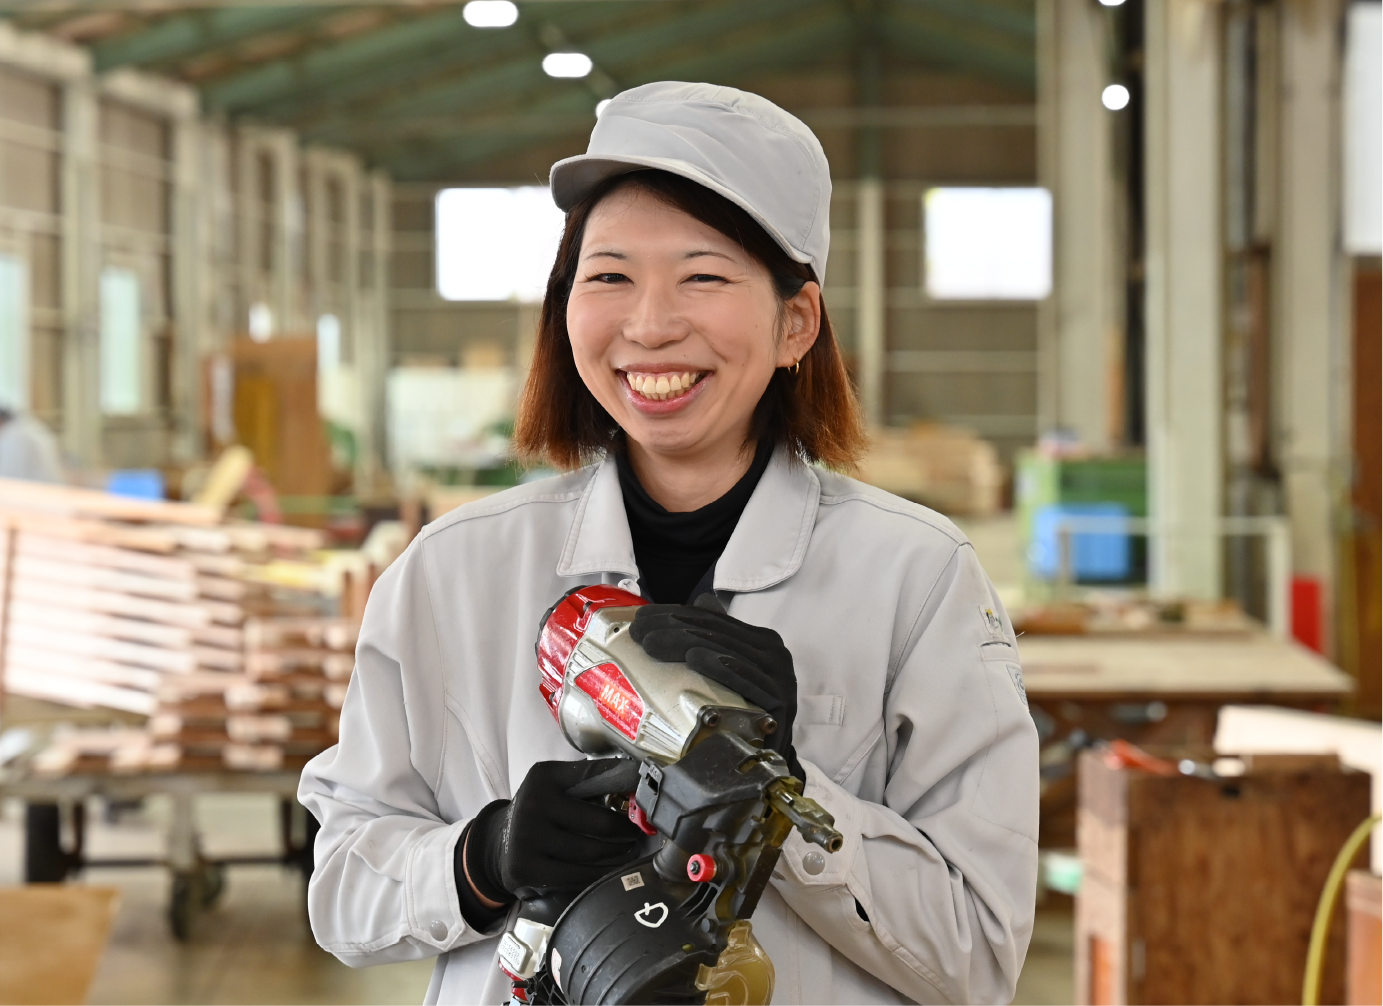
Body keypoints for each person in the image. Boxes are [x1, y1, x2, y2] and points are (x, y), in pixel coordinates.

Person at [300, 81, 1038, 1005]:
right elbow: (342, 890)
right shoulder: (453, 573)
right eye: (608, 277)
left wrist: (782, 797)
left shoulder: (915, 578)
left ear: (795, 323)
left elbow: (977, 953)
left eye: (703, 276)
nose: (649, 325)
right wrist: (480, 857)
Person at [0, 405, 64, 483]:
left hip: (36, 487)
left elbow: (8, 478)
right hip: (48, 486)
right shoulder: (29, 428)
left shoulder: (13, 438)